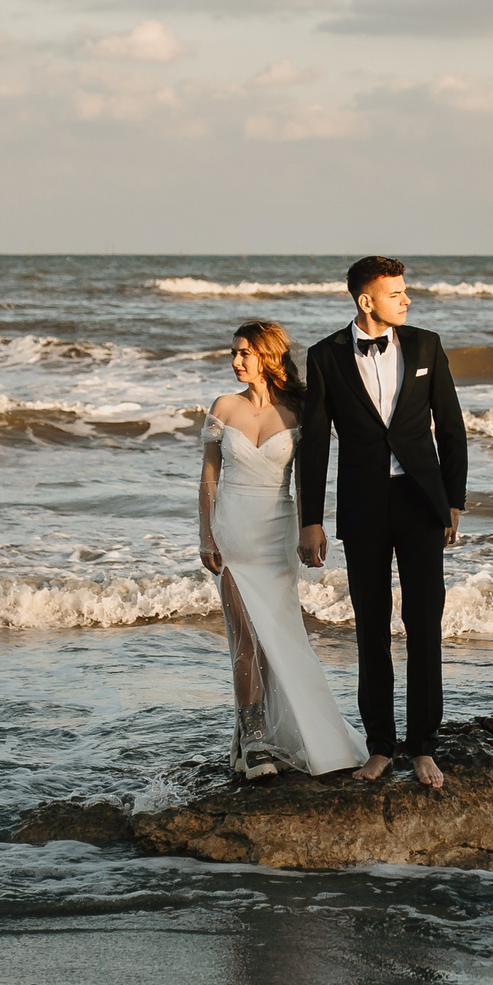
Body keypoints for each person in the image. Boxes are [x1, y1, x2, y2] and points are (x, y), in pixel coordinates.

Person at [296, 256, 467, 791]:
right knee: (370, 630)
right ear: (366, 301)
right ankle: (379, 747)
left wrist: (452, 501)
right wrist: (311, 520)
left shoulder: (425, 345)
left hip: (421, 504)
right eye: (396, 293)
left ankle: (422, 748)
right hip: (364, 507)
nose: (407, 300)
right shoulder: (324, 357)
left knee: (424, 625)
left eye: (405, 291)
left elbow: (451, 426)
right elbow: (316, 444)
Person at [198, 321, 372, 779]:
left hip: (276, 535)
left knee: (275, 637)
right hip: (233, 529)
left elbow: (305, 478)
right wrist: (206, 536)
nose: (235, 361)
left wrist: (307, 530)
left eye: (244, 354)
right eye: (234, 353)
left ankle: (254, 737)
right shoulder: (224, 406)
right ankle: (254, 741)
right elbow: (209, 478)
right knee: (245, 638)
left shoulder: (298, 409)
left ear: (270, 356)